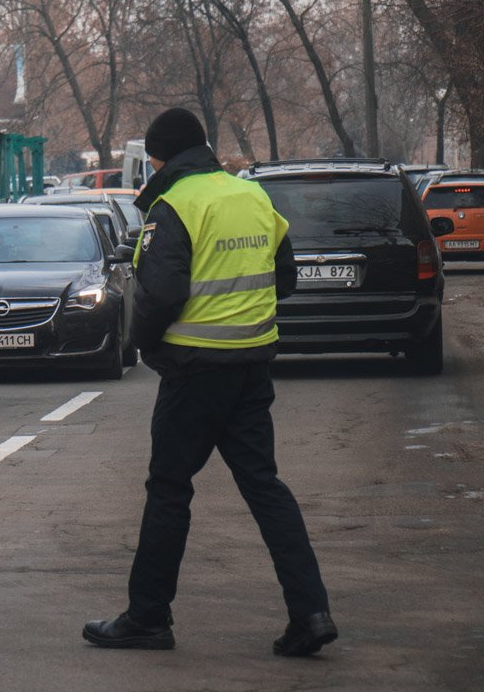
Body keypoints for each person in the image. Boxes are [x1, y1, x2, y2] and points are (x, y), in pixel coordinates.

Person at [82, 108, 336, 657]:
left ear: (162, 157)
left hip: (194, 372)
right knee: (266, 488)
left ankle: (148, 617)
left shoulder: (175, 205)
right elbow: (284, 277)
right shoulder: (251, 196)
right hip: (252, 367)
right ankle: (311, 614)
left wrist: (145, 345)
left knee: (169, 490)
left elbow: (163, 294)